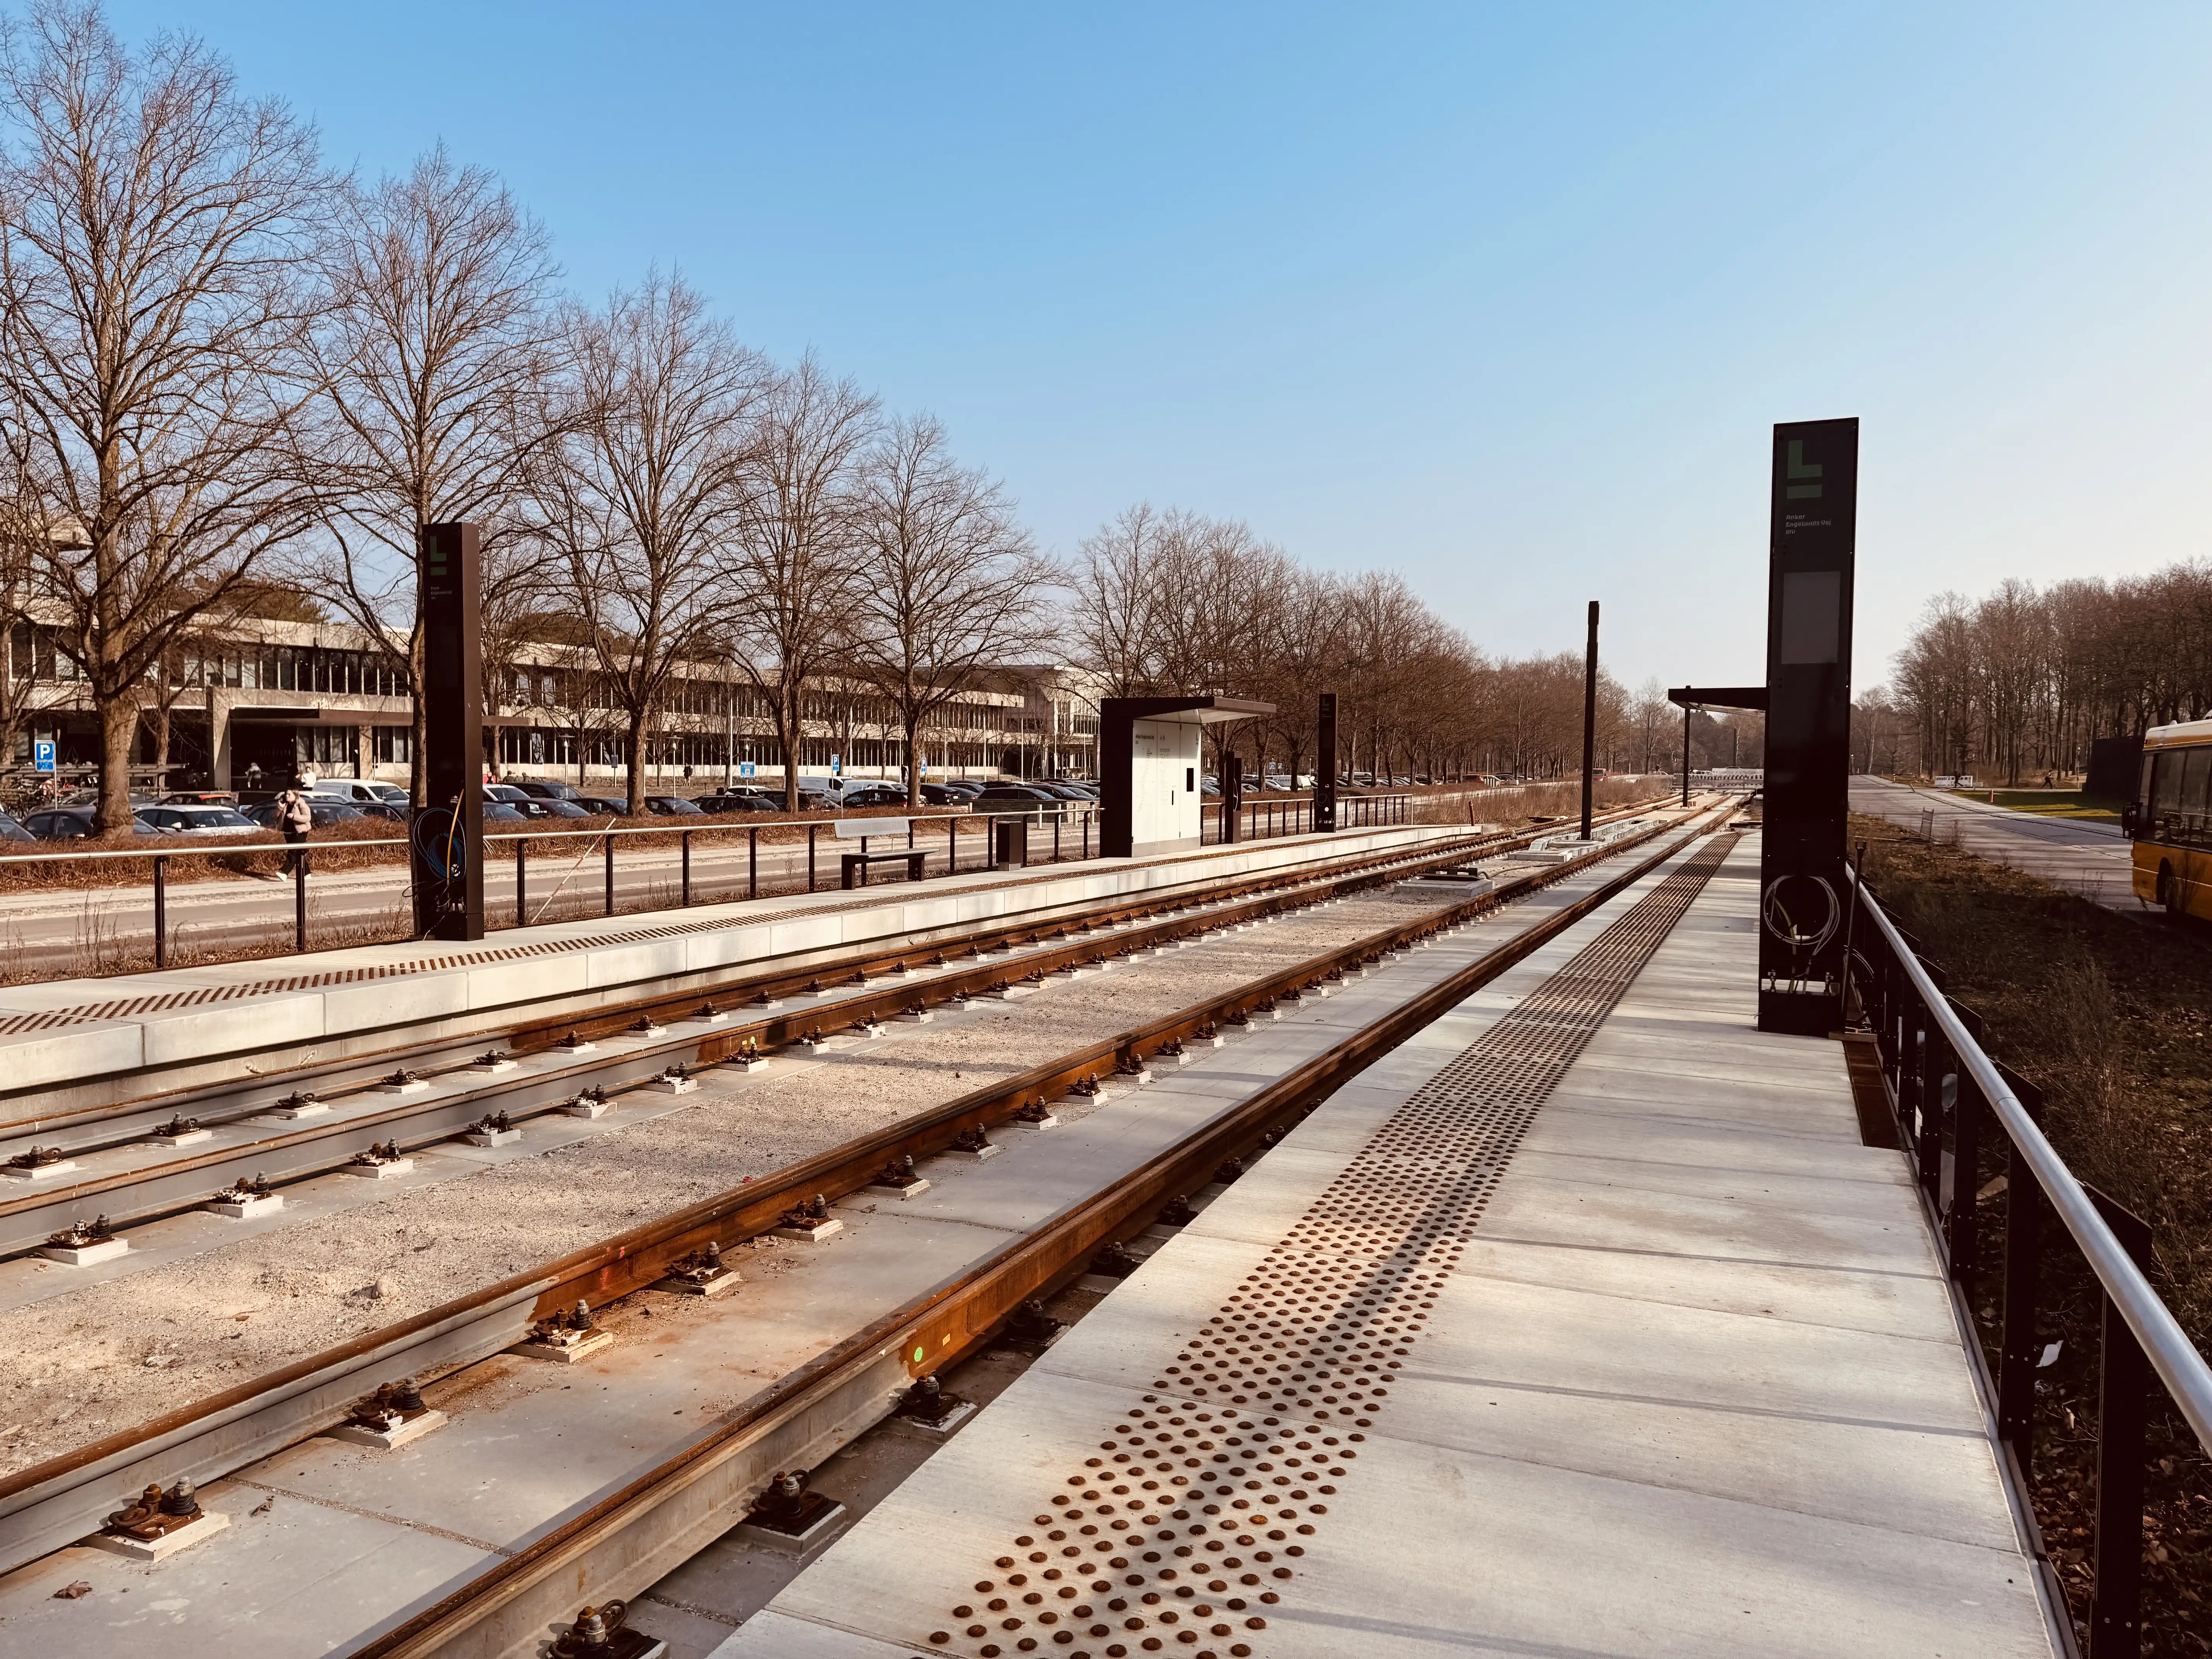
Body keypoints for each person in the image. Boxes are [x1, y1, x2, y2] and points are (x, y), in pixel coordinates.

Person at [275, 777, 313, 879]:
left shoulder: (301, 804)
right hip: (288, 833)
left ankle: (284, 873)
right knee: (299, 853)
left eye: (289, 795)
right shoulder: (286, 805)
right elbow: (275, 816)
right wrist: (280, 806)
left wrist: (294, 817)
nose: (287, 797)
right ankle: (307, 873)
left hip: (300, 832)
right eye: (286, 795)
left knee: (293, 852)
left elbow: (308, 817)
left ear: (295, 795)